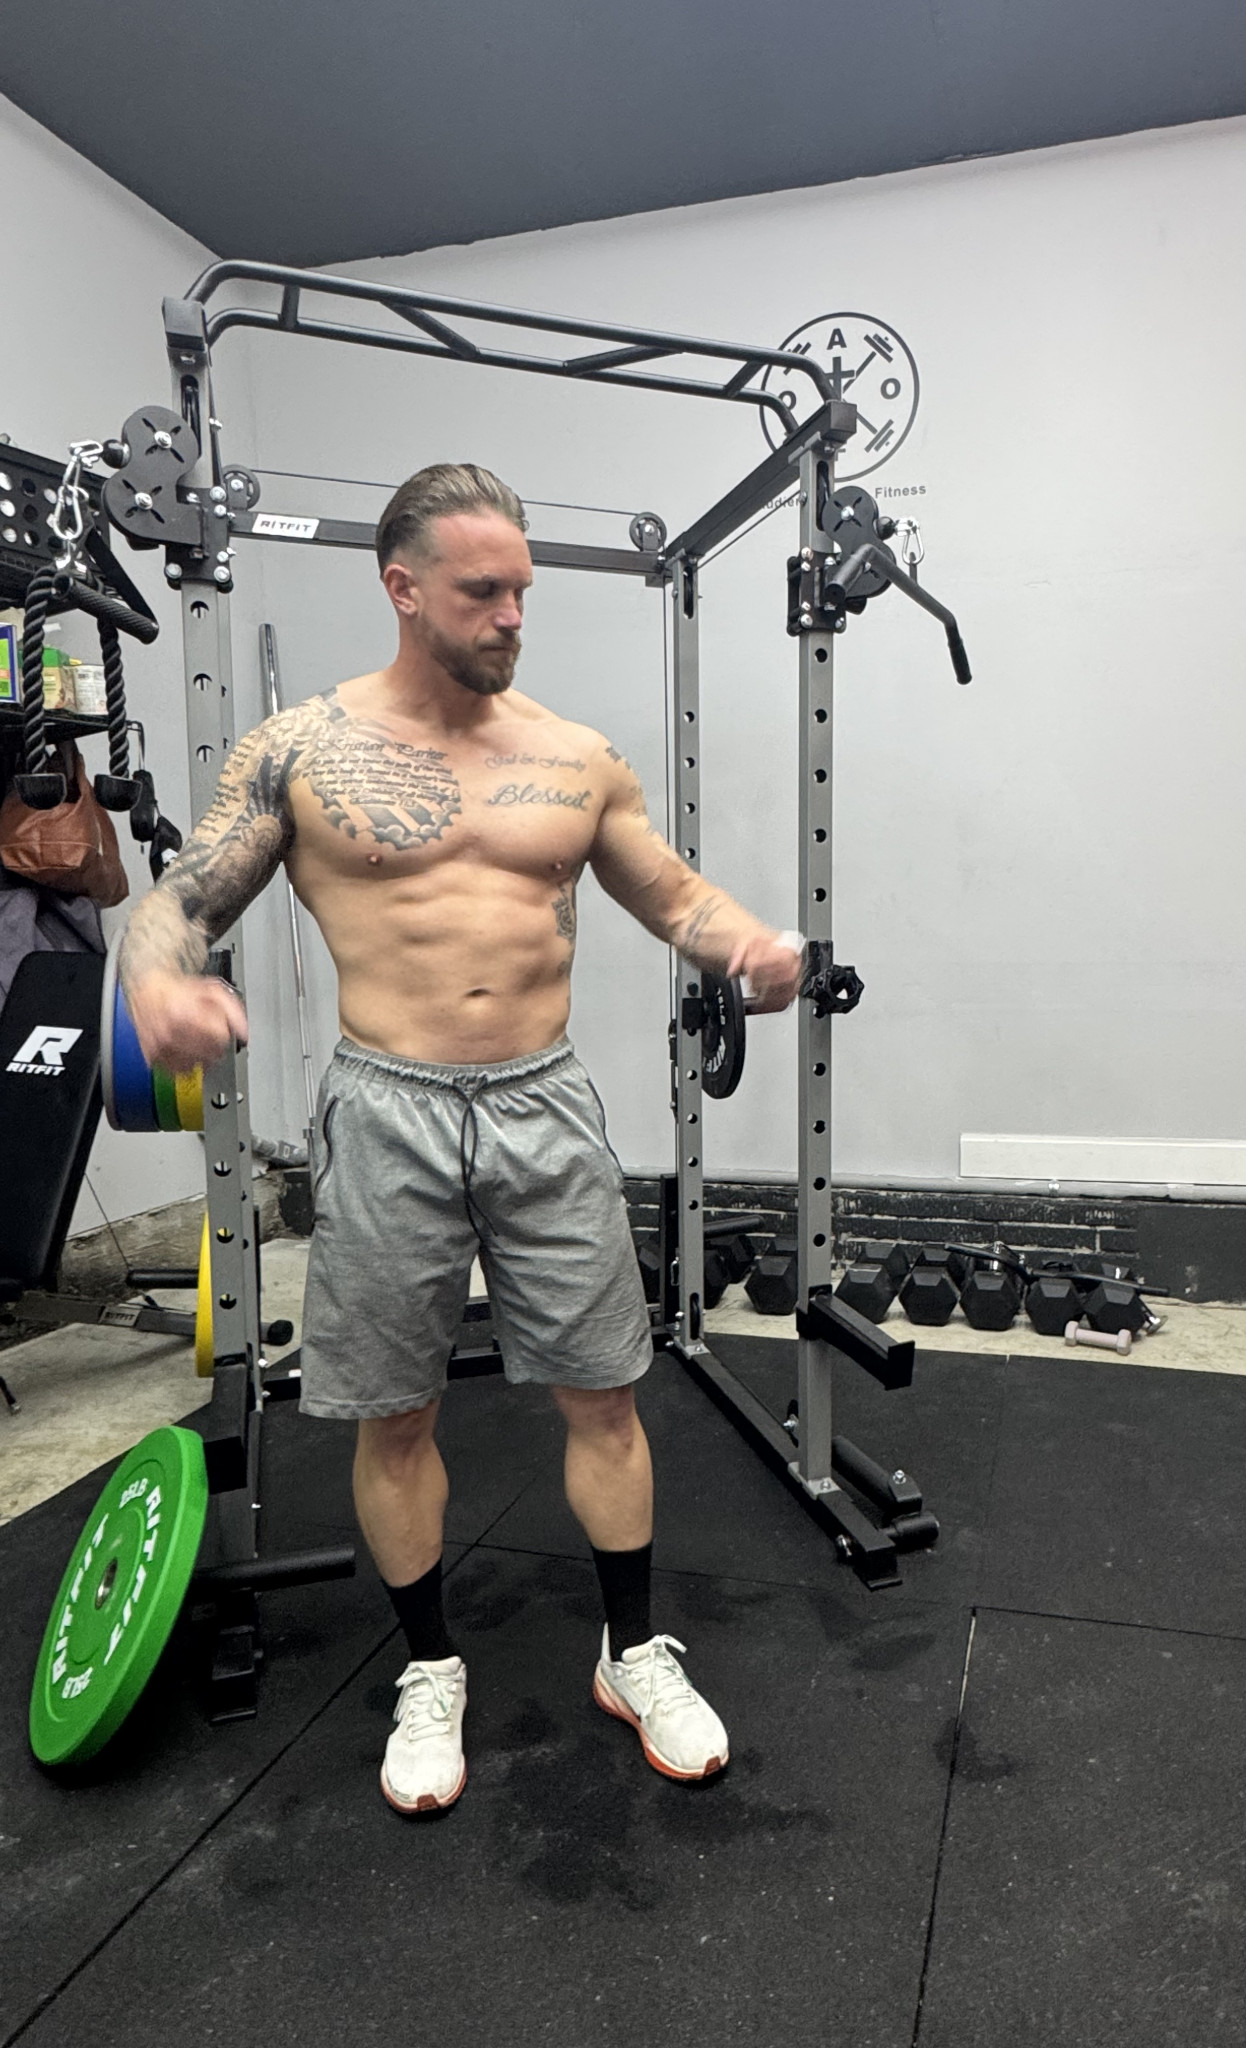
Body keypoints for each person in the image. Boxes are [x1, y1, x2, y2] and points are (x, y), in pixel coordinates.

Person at [118, 463, 803, 1814]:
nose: (512, 617)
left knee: (606, 1393)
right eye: (484, 591)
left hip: (543, 1103)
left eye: (522, 591)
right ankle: (431, 1668)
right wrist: (154, 985)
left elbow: (677, 896)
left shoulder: (574, 756)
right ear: (404, 587)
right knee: (395, 1413)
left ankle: (631, 1652)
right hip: (387, 1109)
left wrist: (751, 948)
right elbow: (179, 902)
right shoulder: (302, 749)